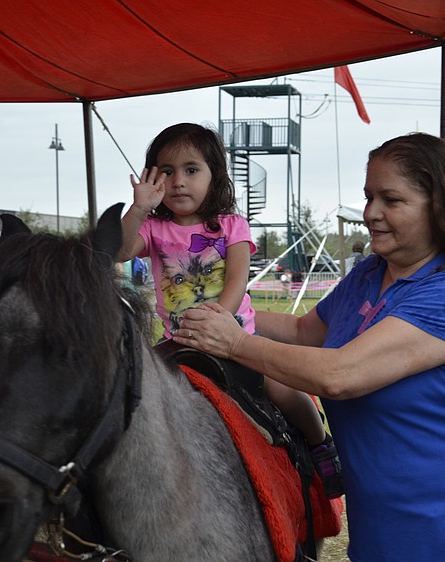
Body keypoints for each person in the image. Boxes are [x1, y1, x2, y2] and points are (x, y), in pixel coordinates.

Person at [173, 133, 445, 561]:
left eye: (391, 200)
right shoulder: (371, 274)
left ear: (440, 205)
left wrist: (234, 341)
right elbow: (305, 331)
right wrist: (213, 315)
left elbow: (340, 376)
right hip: (389, 534)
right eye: (369, 197)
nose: (371, 214)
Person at [118, 122, 342, 497]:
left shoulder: (230, 226)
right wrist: (139, 208)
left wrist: (219, 319)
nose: (178, 182)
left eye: (191, 170)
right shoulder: (153, 229)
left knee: (281, 387)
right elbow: (120, 251)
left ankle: (320, 442)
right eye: (167, 172)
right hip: (180, 342)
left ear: (214, 176)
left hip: (233, 335)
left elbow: (237, 280)